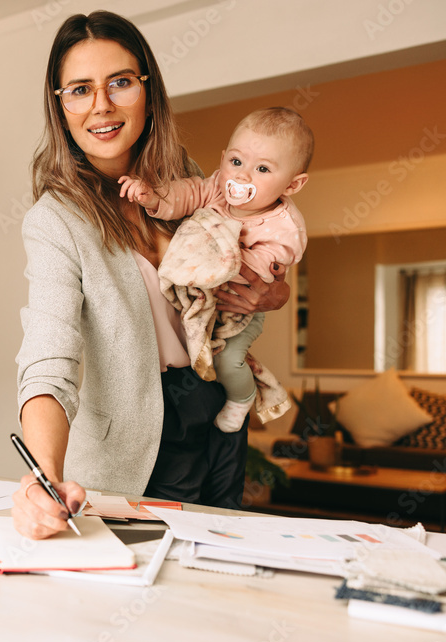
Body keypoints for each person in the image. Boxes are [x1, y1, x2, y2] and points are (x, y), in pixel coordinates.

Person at [12, 11, 289, 540]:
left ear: (148, 89)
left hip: (216, 403)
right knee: (150, 583)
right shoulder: (55, 220)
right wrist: (43, 475)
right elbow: (50, 352)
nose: (102, 105)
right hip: (140, 435)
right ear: (59, 105)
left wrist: (272, 292)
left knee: (225, 557)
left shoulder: (186, 179)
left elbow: (259, 257)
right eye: (79, 89)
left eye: (119, 82)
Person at [118, 107, 312, 432]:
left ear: (293, 185)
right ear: (224, 159)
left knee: (228, 360)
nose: (243, 176)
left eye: (262, 168)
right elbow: (188, 193)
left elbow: (265, 269)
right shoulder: (218, 188)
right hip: (204, 299)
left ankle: (242, 397)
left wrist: (218, 257)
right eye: (236, 162)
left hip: (240, 310)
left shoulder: (284, 228)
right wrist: (154, 197)